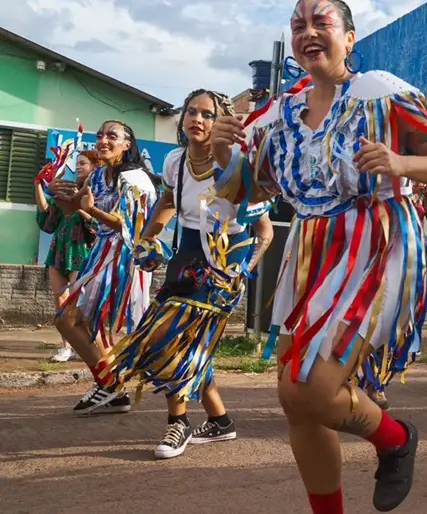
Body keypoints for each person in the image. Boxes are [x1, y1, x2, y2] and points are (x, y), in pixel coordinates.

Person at [210, 0, 427, 513]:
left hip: (373, 247)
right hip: (306, 256)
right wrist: (220, 146)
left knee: (309, 389)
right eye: (297, 24)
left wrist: (401, 164)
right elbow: (244, 190)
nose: (307, 32)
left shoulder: (382, 94)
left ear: (349, 38)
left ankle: (396, 439)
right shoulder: (279, 113)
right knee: (296, 405)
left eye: (321, 22)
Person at [106, 89, 274, 459]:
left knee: (169, 339)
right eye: (191, 112)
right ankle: (220, 421)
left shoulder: (238, 165)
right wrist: (148, 240)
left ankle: (176, 424)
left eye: (207, 114)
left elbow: (265, 232)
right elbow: (167, 202)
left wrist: (243, 269)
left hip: (225, 263)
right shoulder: (175, 161)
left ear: (221, 122)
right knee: (190, 347)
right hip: (185, 259)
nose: (197, 119)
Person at [51, 120, 158, 416]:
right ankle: (110, 385)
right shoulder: (99, 175)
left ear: (127, 145)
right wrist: (52, 190)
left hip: (124, 258)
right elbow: (73, 206)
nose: (103, 139)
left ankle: (111, 386)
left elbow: (133, 227)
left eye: (113, 135)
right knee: (68, 320)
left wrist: (93, 209)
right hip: (101, 254)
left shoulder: (137, 179)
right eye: (100, 134)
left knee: (71, 320)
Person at [363, 182, 427, 411]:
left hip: (409, 268)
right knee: (369, 321)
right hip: (376, 262)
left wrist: (425, 197)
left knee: (397, 326)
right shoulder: (382, 192)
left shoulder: (415, 198)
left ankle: (378, 383)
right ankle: (365, 380)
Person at [35, 149, 99, 363]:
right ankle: (66, 347)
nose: (79, 167)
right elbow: (47, 214)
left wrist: (76, 208)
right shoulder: (68, 188)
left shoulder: (96, 191)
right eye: (78, 163)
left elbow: (97, 225)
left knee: (79, 303)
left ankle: (90, 344)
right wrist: (38, 185)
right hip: (60, 249)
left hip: (81, 250)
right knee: (60, 301)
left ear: (94, 166)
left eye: (83, 163)